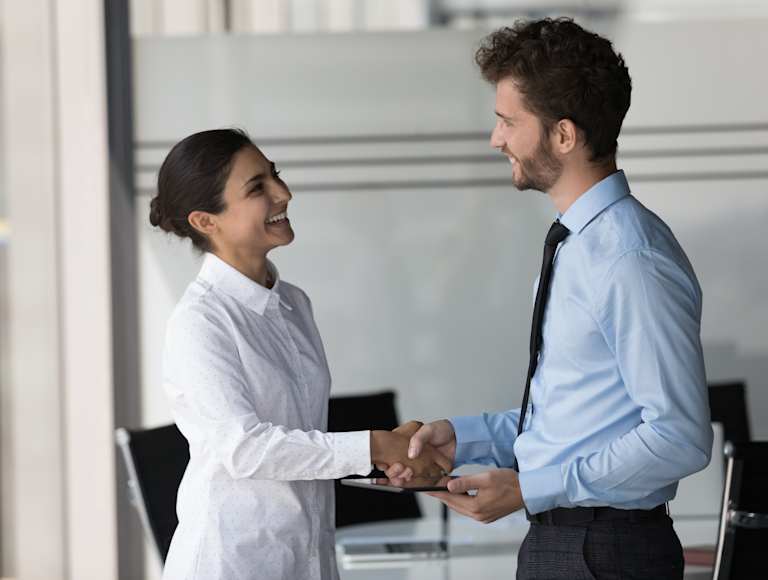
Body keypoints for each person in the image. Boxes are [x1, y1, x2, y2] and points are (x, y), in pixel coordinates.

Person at [384, 18, 713, 580]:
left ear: (563, 135)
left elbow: (679, 437)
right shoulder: (580, 245)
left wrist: (529, 487)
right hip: (573, 544)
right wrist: (465, 436)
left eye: (509, 121)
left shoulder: (627, 256)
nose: (497, 138)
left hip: (604, 553)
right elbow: (577, 418)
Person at [149, 128, 451, 580]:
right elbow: (245, 449)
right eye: (257, 188)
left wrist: (388, 454)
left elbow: (302, 436)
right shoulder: (200, 321)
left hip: (309, 553)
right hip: (233, 562)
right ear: (205, 221)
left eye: (275, 175)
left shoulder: (294, 303)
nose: (283, 193)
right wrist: (373, 445)